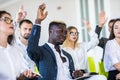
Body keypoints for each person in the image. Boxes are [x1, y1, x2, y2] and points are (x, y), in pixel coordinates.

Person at [27, 3, 84, 80]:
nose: (64, 35)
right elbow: (31, 48)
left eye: (65, 32)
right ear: (50, 32)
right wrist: (38, 21)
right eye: (60, 31)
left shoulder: (68, 55)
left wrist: (76, 75)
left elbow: (72, 75)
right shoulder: (42, 51)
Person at [0, 10, 37, 80]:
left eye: (30, 29)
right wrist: (17, 20)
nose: (27, 32)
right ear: (19, 29)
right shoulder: (14, 44)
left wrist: (23, 75)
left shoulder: (13, 51)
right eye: (7, 20)